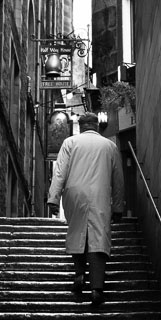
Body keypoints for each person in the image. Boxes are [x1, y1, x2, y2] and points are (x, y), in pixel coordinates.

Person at [47, 112, 124, 306]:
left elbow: (60, 171)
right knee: (98, 236)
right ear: (96, 126)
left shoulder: (70, 143)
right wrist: (118, 206)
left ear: (80, 126)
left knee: (77, 231)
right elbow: (118, 179)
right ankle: (97, 288)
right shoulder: (110, 146)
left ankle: (80, 275)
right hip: (100, 194)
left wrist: (53, 199)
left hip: (75, 194)